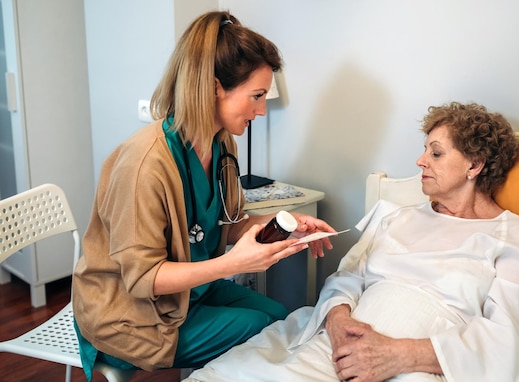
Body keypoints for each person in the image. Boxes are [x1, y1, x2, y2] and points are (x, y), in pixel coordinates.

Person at [184, 102, 519, 382]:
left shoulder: (514, 238)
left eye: (436, 153)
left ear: (475, 165)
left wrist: (398, 355)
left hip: (420, 367)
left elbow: (511, 343)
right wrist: (338, 320)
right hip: (337, 347)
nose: (420, 160)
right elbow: (346, 279)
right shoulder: (398, 217)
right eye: (425, 149)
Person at [71, 10, 335, 381]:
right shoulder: (144, 165)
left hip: (191, 293)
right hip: (130, 315)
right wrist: (235, 264)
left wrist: (283, 226)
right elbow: (143, 279)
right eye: (256, 96)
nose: (261, 110)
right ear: (214, 88)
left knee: (280, 319)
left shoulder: (222, 143)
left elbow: (222, 225)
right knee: (261, 330)